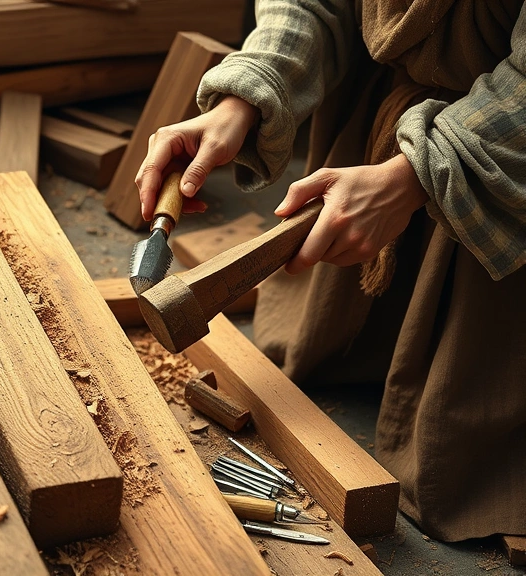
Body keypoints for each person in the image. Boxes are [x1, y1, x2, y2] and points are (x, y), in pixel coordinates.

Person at [137, 0, 526, 541]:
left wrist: (415, 174)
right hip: (381, 117)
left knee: (464, 453)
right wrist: (245, 94)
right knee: (327, 339)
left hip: (508, 153)